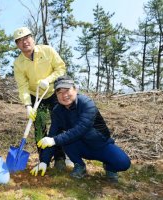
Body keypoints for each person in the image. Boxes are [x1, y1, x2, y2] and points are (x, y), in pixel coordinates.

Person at [30, 75, 131, 183]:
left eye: (67, 90)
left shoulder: (87, 103)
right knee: (64, 139)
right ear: (56, 95)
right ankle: (79, 165)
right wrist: (44, 161)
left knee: (123, 163)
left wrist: (54, 140)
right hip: (78, 146)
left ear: (75, 89)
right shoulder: (57, 111)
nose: (64, 95)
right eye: (59, 92)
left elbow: (81, 128)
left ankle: (110, 168)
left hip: (100, 145)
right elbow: (52, 134)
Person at [13, 27, 68, 170]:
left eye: (26, 38)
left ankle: (60, 157)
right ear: (17, 45)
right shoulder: (18, 63)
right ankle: (44, 160)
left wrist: (48, 79)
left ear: (32, 38)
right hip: (35, 96)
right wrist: (27, 105)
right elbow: (23, 86)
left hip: (53, 92)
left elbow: (61, 68)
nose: (24, 42)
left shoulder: (47, 50)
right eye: (20, 41)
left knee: (58, 124)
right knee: (39, 128)